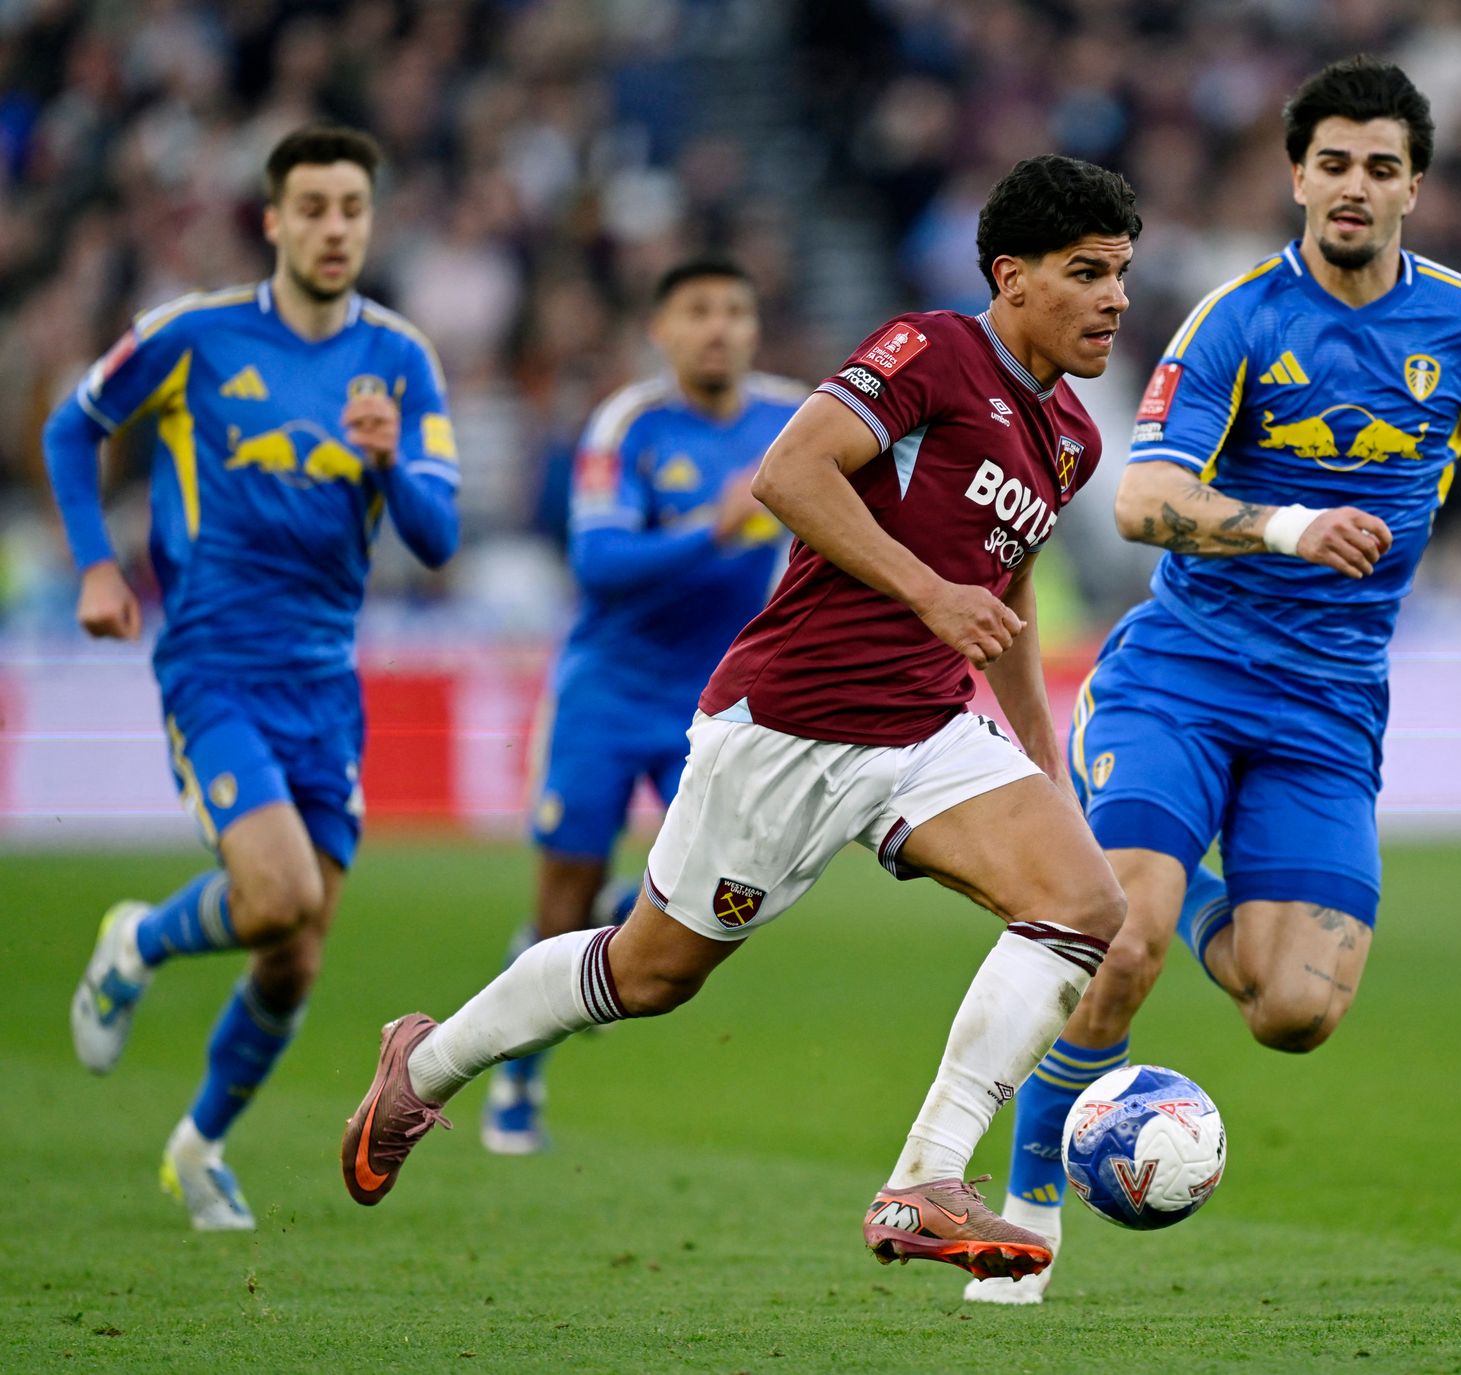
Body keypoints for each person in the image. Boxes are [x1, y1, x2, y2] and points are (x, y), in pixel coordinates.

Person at [341, 154, 1140, 1285]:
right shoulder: (929, 350)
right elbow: (788, 474)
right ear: (1012, 277)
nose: (1115, 298)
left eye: (1121, 273)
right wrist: (928, 593)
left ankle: (924, 1177)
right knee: (650, 974)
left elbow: (1000, 586)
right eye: (1088, 272)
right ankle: (421, 1068)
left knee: (1084, 904)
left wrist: (1042, 761)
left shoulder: (1071, 438)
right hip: (788, 723)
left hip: (921, 733)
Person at [972, 56, 1461, 1304]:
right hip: (1183, 677)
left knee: (1293, 1010)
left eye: (1379, 167)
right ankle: (1027, 1205)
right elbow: (1142, 497)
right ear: (1296, 177)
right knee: (1123, 937)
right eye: (1331, 163)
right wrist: (1286, 525)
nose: (1353, 185)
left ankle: (1174, 891)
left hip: (1326, 705)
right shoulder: (1237, 320)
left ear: (1413, 186)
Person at [50, 124, 460, 1231]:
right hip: (215, 663)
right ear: (274, 220)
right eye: (313, 208)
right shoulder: (194, 335)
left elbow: (436, 537)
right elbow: (70, 428)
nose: (334, 228)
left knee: (293, 957)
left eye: (352, 209)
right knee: (275, 895)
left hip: (325, 685)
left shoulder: (403, 361)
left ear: (370, 223)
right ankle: (136, 940)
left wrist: (389, 461)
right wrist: (95, 563)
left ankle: (199, 1147)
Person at [483, 260, 804, 1155]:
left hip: (720, 699)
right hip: (609, 690)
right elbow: (600, 563)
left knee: (740, 881)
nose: (719, 327)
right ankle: (517, 1079)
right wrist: (715, 525)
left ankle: (610, 933)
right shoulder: (629, 425)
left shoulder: (795, 418)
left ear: (755, 328)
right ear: (661, 331)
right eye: (697, 311)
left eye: (735, 310)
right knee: (560, 902)